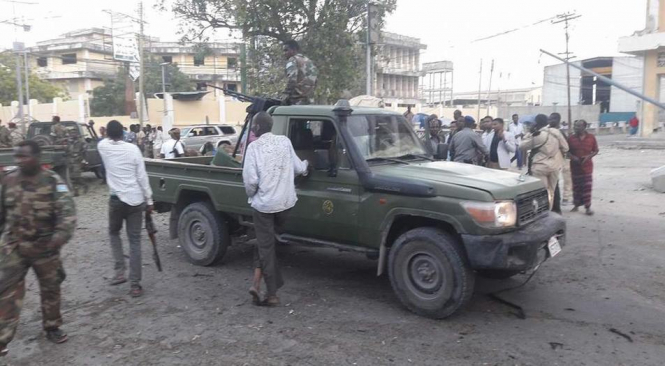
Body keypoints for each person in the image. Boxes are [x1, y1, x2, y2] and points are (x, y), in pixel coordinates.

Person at [0, 140, 77, 355]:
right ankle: (2, 339)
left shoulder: (52, 181)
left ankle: (52, 326)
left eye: (25, 156)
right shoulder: (9, 180)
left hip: (45, 246)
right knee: (5, 290)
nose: (20, 161)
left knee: (51, 288)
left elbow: (67, 214)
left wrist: (58, 239)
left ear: (37, 157)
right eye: (18, 157)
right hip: (14, 245)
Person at [243, 112, 309, 307]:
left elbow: (250, 181)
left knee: (266, 247)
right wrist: (307, 165)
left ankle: (272, 294)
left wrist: (252, 195)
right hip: (285, 205)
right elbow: (299, 168)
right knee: (265, 244)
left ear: (255, 128)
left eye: (253, 126)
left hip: (264, 206)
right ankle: (255, 283)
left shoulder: (253, 148)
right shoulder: (285, 142)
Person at [97, 120, 153, 297]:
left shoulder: (103, 147)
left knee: (114, 233)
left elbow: (107, 139)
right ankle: (135, 285)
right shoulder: (133, 150)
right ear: (123, 133)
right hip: (136, 200)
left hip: (116, 200)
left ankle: (120, 271)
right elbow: (142, 177)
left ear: (107, 133)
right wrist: (149, 200)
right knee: (135, 241)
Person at [521, 114, 569, 209]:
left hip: (539, 166)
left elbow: (522, 146)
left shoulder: (537, 135)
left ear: (536, 123)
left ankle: (543, 211)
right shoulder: (556, 132)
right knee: (551, 191)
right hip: (554, 166)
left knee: (541, 192)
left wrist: (529, 133)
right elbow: (566, 148)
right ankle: (550, 210)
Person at [568, 119, 599, 215]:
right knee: (576, 187)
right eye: (575, 126)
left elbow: (596, 150)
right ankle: (576, 205)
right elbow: (566, 151)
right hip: (575, 167)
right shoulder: (571, 138)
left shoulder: (591, 137)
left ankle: (587, 207)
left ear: (584, 127)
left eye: (578, 126)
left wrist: (588, 157)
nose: (576, 128)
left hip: (587, 167)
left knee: (587, 187)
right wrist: (573, 157)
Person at [281, 40, 318, 105]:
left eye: (286, 50)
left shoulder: (292, 60)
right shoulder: (309, 61)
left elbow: (292, 80)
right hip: (309, 100)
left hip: (296, 101)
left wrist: (285, 95)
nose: (284, 53)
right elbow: (316, 80)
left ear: (294, 50)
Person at [549, 112, 572, 207]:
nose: (550, 121)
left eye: (552, 119)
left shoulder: (559, 132)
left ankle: (565, 198)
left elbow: (567, 146)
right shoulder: (547, 131)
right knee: (555, 181)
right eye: (550, 119)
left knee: (566, 178)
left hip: (562, 158)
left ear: (557, 120)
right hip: (553, 159)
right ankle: (555, 200)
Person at [67, 129, 88, 196]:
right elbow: (67, 150)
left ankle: (85, 185)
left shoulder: (81, 142)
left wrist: (84, 160)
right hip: (70, 160)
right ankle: (76, 191)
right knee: (71, 177)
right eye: (71, 133)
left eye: (74, 133)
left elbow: (85, 151)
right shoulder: (69, 142)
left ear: (77, 134)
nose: (73, 134)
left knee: (77, 177)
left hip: (78, 160)